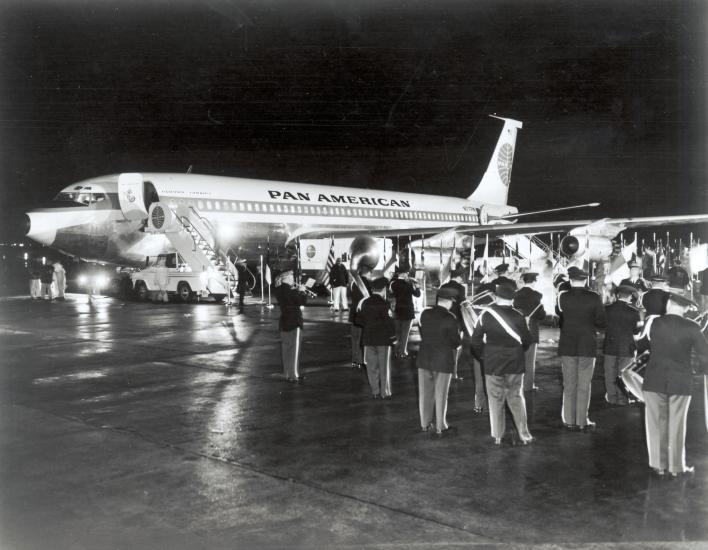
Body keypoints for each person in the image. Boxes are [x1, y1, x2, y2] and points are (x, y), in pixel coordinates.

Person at [638, 292, 708, 476]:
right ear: (686, 308)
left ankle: (658, 465)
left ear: (669, 303)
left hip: (654, 378)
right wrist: (699, 369)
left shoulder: (654, 322)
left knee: (655, 423)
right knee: (677, 424)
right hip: (681, 381)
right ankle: (677, 467)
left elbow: (641, 345)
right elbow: (705, 355)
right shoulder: (693, 327)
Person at [471, 283, 533, 445]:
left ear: (496, 297)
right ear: (512, 300)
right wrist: (517, 351)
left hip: (492, 363)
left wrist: (483, 357)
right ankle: (524, 434)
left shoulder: (486, 314)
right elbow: (527, 341)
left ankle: (498, 435)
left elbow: (475, 341)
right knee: (517, 397)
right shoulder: (518, 316)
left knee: (495, 399)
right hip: (515, 362)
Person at [556, 265, 606, 431]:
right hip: (587, 344)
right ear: (586, 280)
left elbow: (559, 314)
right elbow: (601, 321)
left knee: (569, 384)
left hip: (567, 344)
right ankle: (581, 421)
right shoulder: (594, 297)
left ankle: (569, 420)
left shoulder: (562, 297)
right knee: (584, 384)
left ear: (570, 280)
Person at [418, 287, 462, 434]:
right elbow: (455, 342)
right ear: (449, 302)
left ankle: (425, 424)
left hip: (424, 359)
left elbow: (423, 332)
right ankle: (440, 426)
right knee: (441, 394)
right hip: (442, 361)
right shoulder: (450, 318)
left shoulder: (425, 313)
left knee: (425, 393)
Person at [357, 277, 396, 399]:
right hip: (383, 340)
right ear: (384, 289)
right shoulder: (385, 304)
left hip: (368, 339)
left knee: (371, 366)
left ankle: (375, 391)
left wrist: (368, 325)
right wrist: (393, 338)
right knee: (384, 367)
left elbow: (358, 319)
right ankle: (385, 392)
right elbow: (389, 323)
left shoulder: (364, 302)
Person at [602, 285, 641, 405]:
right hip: (626, 348)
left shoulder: (607, 309)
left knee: (609, 373)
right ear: (629, 297)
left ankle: (612, 398)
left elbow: (602, 326)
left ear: (618, 295)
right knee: (623, 374)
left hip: (610, 346)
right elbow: (636, 331)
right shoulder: (634, 311)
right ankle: (622, 399)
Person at [513, 272, 546, 392]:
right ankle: (528, 386)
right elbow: (542, 315)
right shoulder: (537, 295)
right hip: (531, 330)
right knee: (529, 360)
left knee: (517, 358)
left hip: (517, 330)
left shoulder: (516, 294)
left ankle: (516, 385)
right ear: (534, 281)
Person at [274, 270, 308, 383]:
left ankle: (287, 373)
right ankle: (295, 375)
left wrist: (296, 291)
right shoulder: (291, 291)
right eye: (291, 277)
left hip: (284, 321)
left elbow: (290, 298)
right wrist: (302, 292)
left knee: (286, 349)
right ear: (286, 278)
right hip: (294, 321)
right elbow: (302, 302)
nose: (293, 279)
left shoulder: (278, 290)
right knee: (294, 350)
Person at [439, 269, 467, 380]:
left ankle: (445, 371)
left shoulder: (443, 286)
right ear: (459, 277)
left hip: (442, 319)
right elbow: (462, 306)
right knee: (457, 346)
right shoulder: (461, 288)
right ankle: (454, 373)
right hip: (456, 321)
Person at [390, 268, 421, 358]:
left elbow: (391, 294)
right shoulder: (409, 284)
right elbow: (417, 294)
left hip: (398, 310)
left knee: (398, 332)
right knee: (405, 332)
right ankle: (403, 352)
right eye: (406, 273)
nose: (407, 274)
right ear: (403, 274)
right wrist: (417, 286)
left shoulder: (394, 284)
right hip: (408, 311)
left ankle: (396, 351)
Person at [349, 268, 372, 369]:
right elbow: (368, 297)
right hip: (363, 312)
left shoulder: (354, 282)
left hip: (354, 313)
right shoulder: (365, 282)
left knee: (355, 338)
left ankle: (355, 360)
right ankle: (363, 360)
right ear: (366, 272)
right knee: (363, 339)